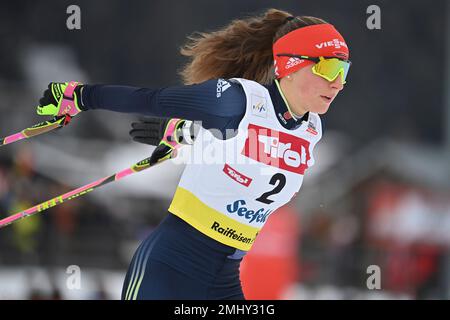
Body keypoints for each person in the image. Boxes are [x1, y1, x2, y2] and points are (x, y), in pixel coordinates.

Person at [35, 8, 351, 300]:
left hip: (224, 278)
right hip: (171, 266)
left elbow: (244, 150)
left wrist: (187, 134)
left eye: (344, 70)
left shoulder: (311, 130)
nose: (338, 83)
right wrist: (79, 96)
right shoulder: (237, 100)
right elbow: (152, 100)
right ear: (291, 65)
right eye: (329, 68)